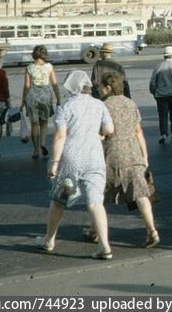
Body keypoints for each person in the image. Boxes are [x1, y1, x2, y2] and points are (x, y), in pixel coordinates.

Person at [34, 70, 115, 259]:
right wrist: (99, 134)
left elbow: (61, 136)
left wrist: (54, 163)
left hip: (71, 158)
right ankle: (104, 246)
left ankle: (49, 240)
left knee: (59, 201)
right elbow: (109, 129)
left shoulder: (65, 107)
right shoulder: (99, 104)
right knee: (95, 203)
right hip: (95, 157)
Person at [98, 69, 160, 248]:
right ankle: (152, 230)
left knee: (100, 195)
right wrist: (145, 156)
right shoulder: (130, 103)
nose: (100, 90)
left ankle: (95, 230)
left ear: (108, 88)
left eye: (101, 87)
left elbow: (103, 134)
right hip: (134, 153)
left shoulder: (104, 106)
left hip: (113, 154)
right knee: (141, 194)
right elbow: (138, 131)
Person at [22, 44, 61, 160]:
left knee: (34, 124)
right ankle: (43, 143)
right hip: (45, 96)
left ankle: (35, 150)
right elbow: (54, 84)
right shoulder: (49, 67)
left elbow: (27, 86)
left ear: (34, 54)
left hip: (33, 96)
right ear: (45, 54)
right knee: (44, 123)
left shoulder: (29, 67)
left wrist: (23, 101)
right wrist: (58, 99)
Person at [149, 46, 172, 144]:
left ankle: (163, 134)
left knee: (163, 115)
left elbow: (152, 82)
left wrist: (154, 92)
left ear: (164, 56)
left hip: (161, 95)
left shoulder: (158, 67)